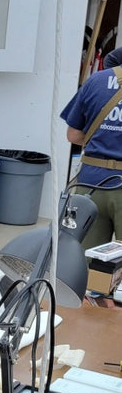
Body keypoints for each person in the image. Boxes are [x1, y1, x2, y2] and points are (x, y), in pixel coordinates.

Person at [61, 53, 122, 250]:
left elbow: (73, 135)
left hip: (90, 184)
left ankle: (92, 283)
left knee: (87, 259)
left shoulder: (96, 80)